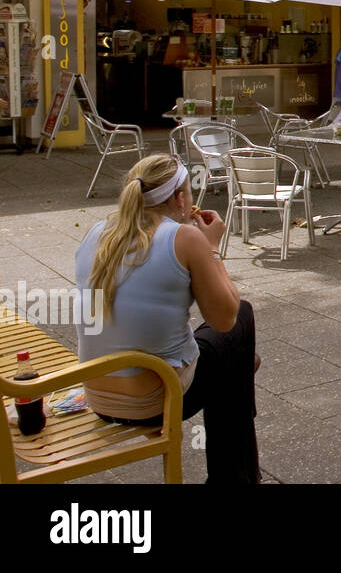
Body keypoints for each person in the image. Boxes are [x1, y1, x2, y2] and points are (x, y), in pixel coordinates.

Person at [75, 154, 259, 483]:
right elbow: (225, 319)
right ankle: (234, 478)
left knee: (233, 361)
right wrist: (211, 248)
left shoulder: (97, 233)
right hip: (154, 400)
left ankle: (241, 367)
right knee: (241, 319)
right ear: (179, 198)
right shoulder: (185, 239)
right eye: (190, 191)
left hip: (98, 393)